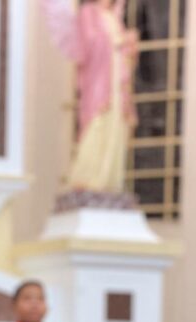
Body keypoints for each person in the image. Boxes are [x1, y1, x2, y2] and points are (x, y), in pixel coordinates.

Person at [42, 0, 138, 192]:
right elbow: (87, 47)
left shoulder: (114, 18)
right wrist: (116, 43)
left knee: (114, 128)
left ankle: (109, 182)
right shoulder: (89, 13)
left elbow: (126, 58)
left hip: (116, 85)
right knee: (96, 126)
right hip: (99, 82)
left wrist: (129, 46)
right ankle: (89, 178)